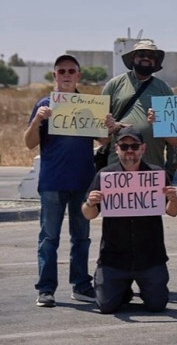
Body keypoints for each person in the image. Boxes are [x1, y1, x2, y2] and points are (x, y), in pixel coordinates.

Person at [25, 54, 114, 308]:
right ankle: (45, 289)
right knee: (48, 238)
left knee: (81, 237)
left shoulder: (90, 105)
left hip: (83, 181)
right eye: (61, 71)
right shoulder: (45, 104)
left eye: (71, 71)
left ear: (78, 76)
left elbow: (104, 141)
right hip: (52, 182)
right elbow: (29, 143)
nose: (66, 75)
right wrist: (37, 121)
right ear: (54, 75)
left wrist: (107, 126)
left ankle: (81, 285)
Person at [82, 127, 177, 314]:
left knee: (157, 306)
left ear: (142, 148)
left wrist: (174, 199)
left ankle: (138, 287)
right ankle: (121, 289)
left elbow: (173, 212)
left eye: (134, 146)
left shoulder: (156, 174)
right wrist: (90, 202)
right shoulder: (105, 176)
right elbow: (89, 214)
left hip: (150, 257)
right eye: (124, 146)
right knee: (106, 306)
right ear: (116, 149)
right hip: (114, 257)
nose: (129, 150)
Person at [102, 40, 177, 169]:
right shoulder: (114, 85)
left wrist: (171, 169)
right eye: (141, 54)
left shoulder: (164, 89)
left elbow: (174, 135)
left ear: (156, 62)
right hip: (118, 166)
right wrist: (114, 126)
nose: (146, 58)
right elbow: (100, 128)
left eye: (151, 56)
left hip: (153, 165)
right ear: (133, 58)